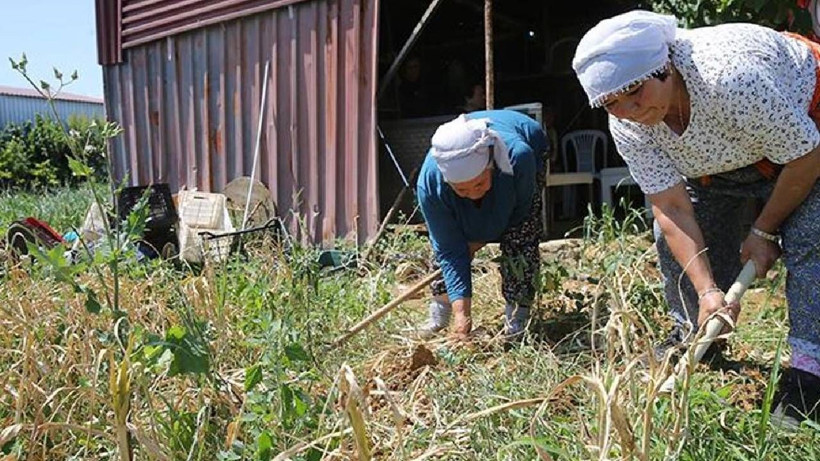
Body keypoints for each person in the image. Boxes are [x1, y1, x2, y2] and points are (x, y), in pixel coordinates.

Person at [572, 11, 820, 424]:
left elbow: (807, 157)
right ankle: (697, 336)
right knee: (678, 246)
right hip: (717, 164)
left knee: (812, 243)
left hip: (805, 146)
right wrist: (708, 290)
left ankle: (809, 375)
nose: (630, 110)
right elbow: (671, 207)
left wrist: (763, 230)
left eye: (636, 91)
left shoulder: (728, 79)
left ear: (665, 65)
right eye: (612, 103)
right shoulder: (628, 125)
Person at [415, 110, 547, 341]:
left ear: (491, 166)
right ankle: (441, 314)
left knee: (520, 238)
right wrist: (462, 317)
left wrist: (480, 238)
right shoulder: (430, 184)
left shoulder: (519, 157)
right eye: (461, 189)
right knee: (444, 250)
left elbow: (518, 214)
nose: (472, 194)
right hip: (464, 178)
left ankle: (517, 319)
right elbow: (449, 248)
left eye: (479, 184)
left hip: (529, 142)